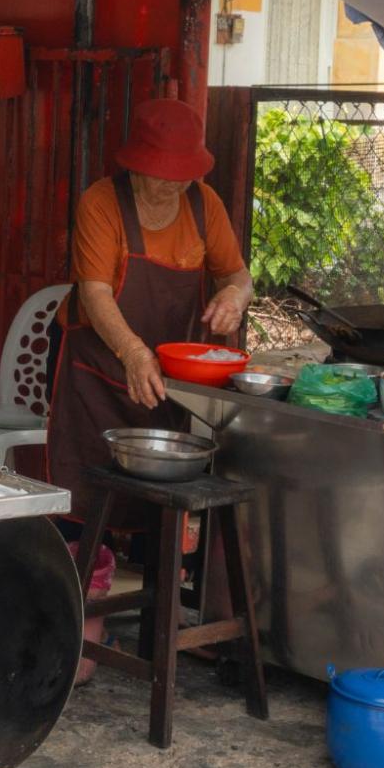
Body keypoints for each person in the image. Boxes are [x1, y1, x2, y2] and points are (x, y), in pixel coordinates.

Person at [46, 98, 254, 536]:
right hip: (96, 371)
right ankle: (80, 578)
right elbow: (96, 292)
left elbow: (236, 273)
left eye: (184, 176)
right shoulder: (101, 203)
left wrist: (235, 295)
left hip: (164, 379)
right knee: (86, 496)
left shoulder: (204, 205)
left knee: (156, 502)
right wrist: (133, 353)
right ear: (137, 164)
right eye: (164, 175)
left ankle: (152, 585)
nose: (175, 186)